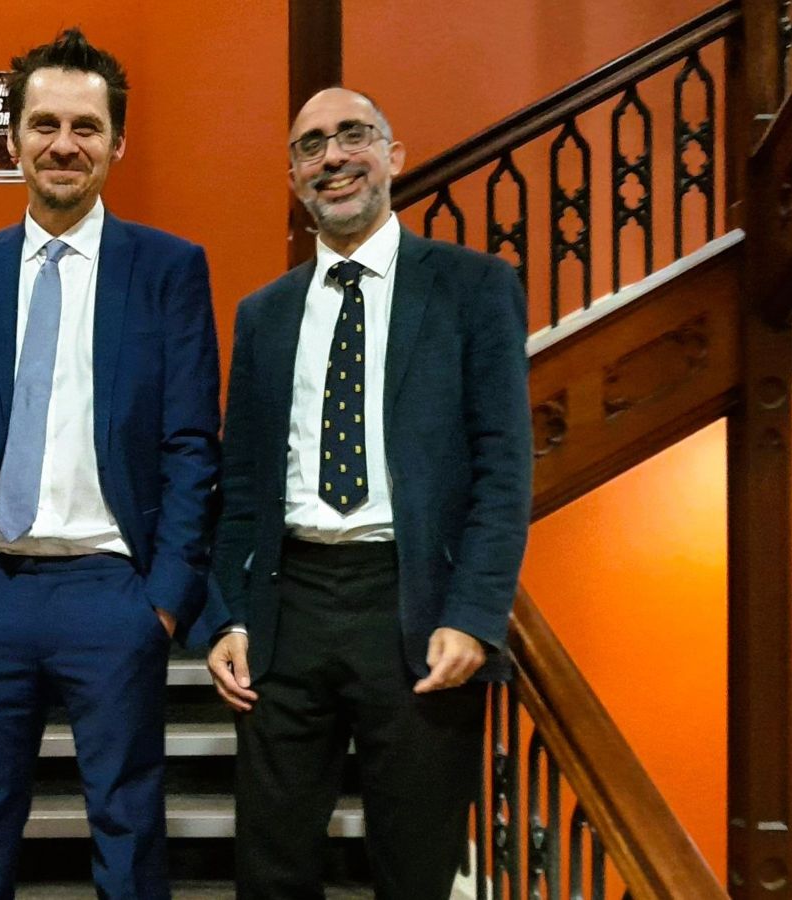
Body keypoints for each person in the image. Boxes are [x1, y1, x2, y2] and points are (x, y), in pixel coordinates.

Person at [206, 86, 532, 900]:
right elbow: (242, 480)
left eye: (353, 136)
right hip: (289, 609)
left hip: (415, 610)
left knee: (415, 866)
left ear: (395, 155)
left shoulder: (472, 286)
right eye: (311, 146)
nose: (334, 156)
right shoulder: (264, 314)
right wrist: (230, 613)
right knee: (271, 868)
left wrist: (474, 613)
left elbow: (504, 464)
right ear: (293, 176)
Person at [0, 28, 221, 900]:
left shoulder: (168, 269)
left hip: (113, 594)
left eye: (85, 127)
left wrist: (164, 599)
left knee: (128, 823)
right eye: (44, 123)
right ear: (12, 139)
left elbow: (191, 440)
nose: (63, 144)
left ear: (116, 144)